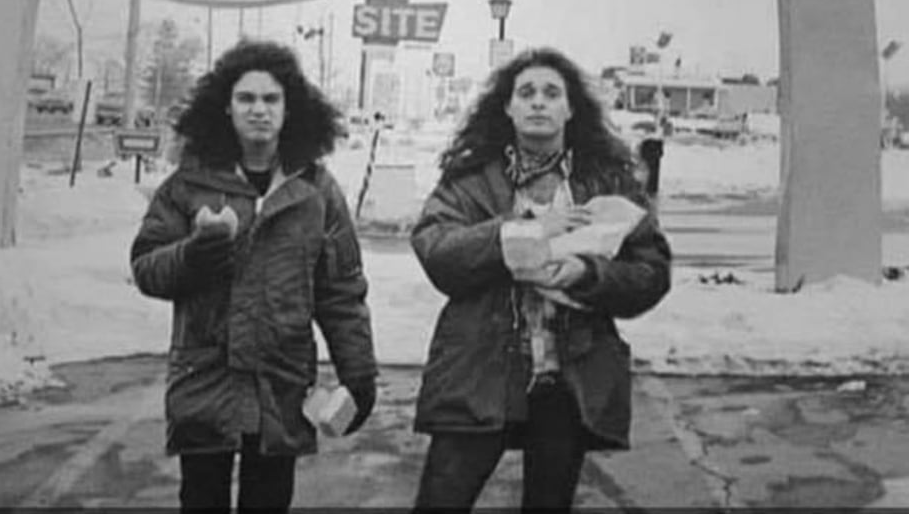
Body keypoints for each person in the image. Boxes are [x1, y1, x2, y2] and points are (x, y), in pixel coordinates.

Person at [410, 46, 672, 512]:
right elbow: (436, 252)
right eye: (526, 92)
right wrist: (519, 234)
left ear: (570, 109)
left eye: (552, 93)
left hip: (567, 381)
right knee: (440, 502)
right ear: (507, 107)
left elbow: (651, 272)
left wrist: (589, 273)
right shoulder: (472, 180)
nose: (537, 102)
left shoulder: (606, 183)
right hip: (479, 371)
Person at [130, 39, 378, 513]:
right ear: (225, 107)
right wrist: (197, 253)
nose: (259, 110)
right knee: (201, 501)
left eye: (271, 99)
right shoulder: (189, 184)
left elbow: (341, 293)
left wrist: (359, 374)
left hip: (280, 383)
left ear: (291, 110)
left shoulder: (317, 191)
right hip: (205, 379)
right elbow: (146, 268)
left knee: (269, 502)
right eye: (246, 99)